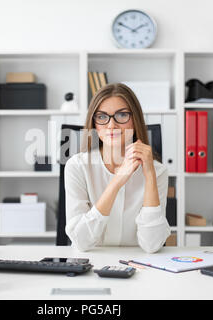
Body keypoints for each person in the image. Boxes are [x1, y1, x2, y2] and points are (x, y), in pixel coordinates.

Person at [64, 83, 170, 253]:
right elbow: (81, 241)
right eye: (102, 117)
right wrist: (117, 181)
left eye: (122, 115)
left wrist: (149, 174)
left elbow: (152, 245)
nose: (111, 126)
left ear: (135, 120)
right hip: (91, 265)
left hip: (139, 267)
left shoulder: (158, 171)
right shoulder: (77, 167)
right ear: (94, 124)